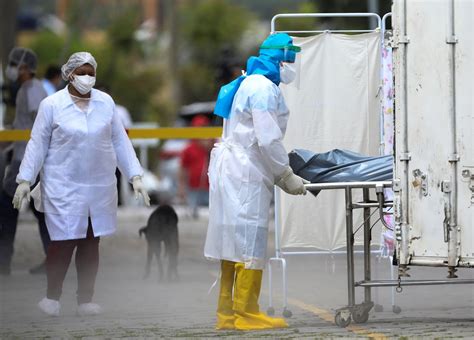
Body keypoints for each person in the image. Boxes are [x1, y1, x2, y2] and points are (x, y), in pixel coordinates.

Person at [12, 52, 150, 317]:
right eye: (82, 72)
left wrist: (135, 176)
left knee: (90, 240)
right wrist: (24, 179)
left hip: (98, 185)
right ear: (70, 74)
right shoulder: (52, 105)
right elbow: (37, 143)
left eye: (91, 72)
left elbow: (120, 141)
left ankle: (85, 299)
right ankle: (52, 298)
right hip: (63, 184)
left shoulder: (106, 103)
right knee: (63, 240)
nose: (87, 77)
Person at [204, 33, 309, 330]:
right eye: (291, 58)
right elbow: (267, 138)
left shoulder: (249, 82)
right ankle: (246, 314)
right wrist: (285, 173)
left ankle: (226, 313)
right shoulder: (262, 88)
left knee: (232, 241)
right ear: (280, 58)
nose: (292, 65)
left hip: (235, 170)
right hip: (246, 173)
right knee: (250, 241)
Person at [0, 47, 50, 276]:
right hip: (27, 157)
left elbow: (39, 124)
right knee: (40, 211)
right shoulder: (28, 89)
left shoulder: (32, 91)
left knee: (8, 206)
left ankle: (3, 261)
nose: (11, 69)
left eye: (14, 64)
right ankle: (53, 259)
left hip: (27, 161)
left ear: (24, 66)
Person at [178, 115, 213, 218]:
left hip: (210, 188)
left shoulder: (214, 145)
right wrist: (181, 187)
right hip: (193, 188)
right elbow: (183, 169)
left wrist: (209, 147)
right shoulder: (189, 148)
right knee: (193, 214)